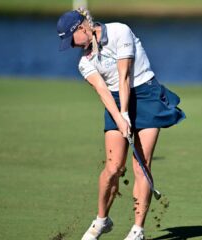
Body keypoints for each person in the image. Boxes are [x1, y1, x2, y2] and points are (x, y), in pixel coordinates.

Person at [56, 7, 185, 240]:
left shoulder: (119, 31)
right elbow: (104, 92)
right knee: (114, 167)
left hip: (146, 94)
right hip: (115, 99)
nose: (73, 47)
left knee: (141, 165)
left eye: (72, 41)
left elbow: (124, 75)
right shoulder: (84, 62)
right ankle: (102, 220)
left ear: (82, 28)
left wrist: (125, 113)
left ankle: (137, 230)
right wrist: (119, 117)